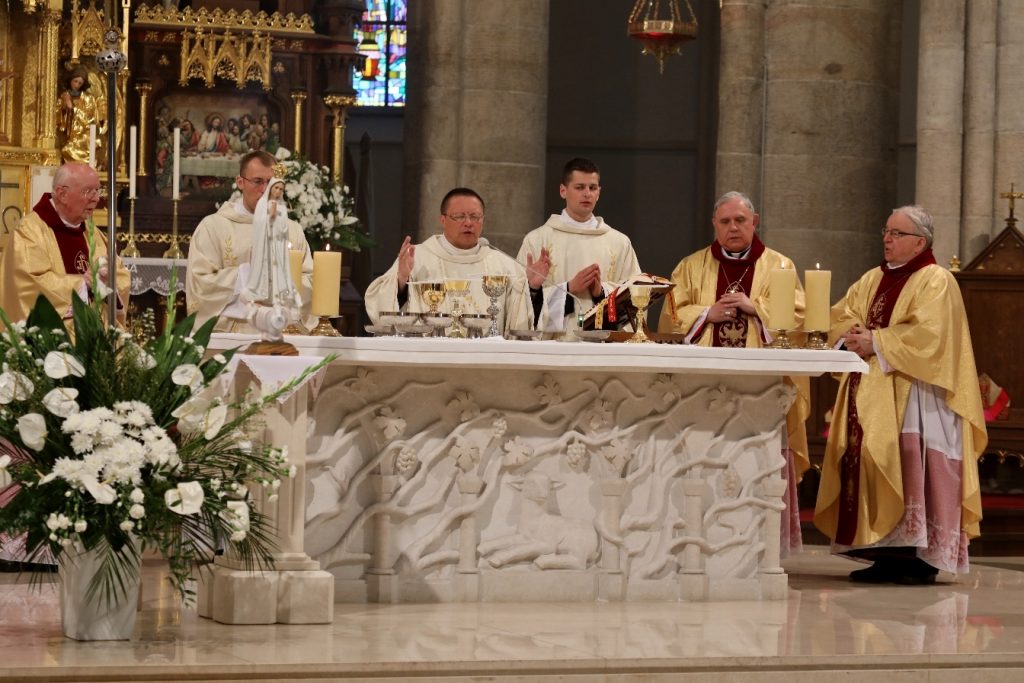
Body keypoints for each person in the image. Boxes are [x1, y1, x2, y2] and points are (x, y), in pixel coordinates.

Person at [814, 205, 986, 585]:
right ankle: (884, 555)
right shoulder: (872, 278)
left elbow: (931, 335)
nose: (887, 239)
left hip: (919, 396)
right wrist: (852, 335)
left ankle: (920, 559)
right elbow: (842, 314)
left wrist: (875, 341)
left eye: (897, 233)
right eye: (887, 231)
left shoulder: (936, 280)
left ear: (919, 242)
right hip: (870, 391)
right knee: (873, 464)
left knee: (911, 465)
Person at [657, 190, 809, 555]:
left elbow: (799, 318)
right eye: (725, 222)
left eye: (740, 220)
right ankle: (701, 537)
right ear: (714, 224)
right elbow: (669, 318)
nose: (733, 228)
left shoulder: (780, 267)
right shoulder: (691, 267)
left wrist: (755, 308)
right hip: (703, 390)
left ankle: (761, 544)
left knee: (758, 461)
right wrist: (705, 314)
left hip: (761, 391)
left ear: (755, 222)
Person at [365, 187, 532, 335]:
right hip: (428, 355)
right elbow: (380, 310)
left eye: (475, 217)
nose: (468, 223)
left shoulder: (505, 265)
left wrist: (533, 287)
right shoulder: (417, 257)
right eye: (460, 216)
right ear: (443, 220)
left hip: (486, 356)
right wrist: (401, 279)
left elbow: (523, 320)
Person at [186, 150, 315, 333]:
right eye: (257, 181)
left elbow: (310, 280)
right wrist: (247, 274)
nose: (265, 190)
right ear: (240, 182)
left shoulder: (292, 230)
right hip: (233, 337)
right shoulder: (213, 227)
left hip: (284, 334)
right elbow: (200, 283)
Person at [517, 158, 641, 333]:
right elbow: (518, 305)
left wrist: (601, 292)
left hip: (603, 344)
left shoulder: (619, 243)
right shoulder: (537, 240)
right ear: (563, 191)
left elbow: (636, 299)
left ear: (599, 193)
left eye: (592, 188)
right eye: (580, 187)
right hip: (555, 344)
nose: (587, 194)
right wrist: (565, 289)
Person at [0, 162, 130, 325]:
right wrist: (83, 283)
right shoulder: (29, 231)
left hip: (95, 335)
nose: (96, 198)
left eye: (97, 190)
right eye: (87, 191)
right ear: (62, 194)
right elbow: (26, 284)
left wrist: (108, 284)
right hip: (53, 336)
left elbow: (120, 274)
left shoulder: (92, 233)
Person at [57, 67, 103, 165]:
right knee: (66, 149)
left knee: (76, 146)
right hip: (69, 135)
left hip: (84, 132)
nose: (77, 85)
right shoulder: (64, 96)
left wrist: (72, 108)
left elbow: (89, 117)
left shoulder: (88, 98)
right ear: (70, 80)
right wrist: (65, 107)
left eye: (80, 83)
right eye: (75, 81)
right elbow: (58, 116)